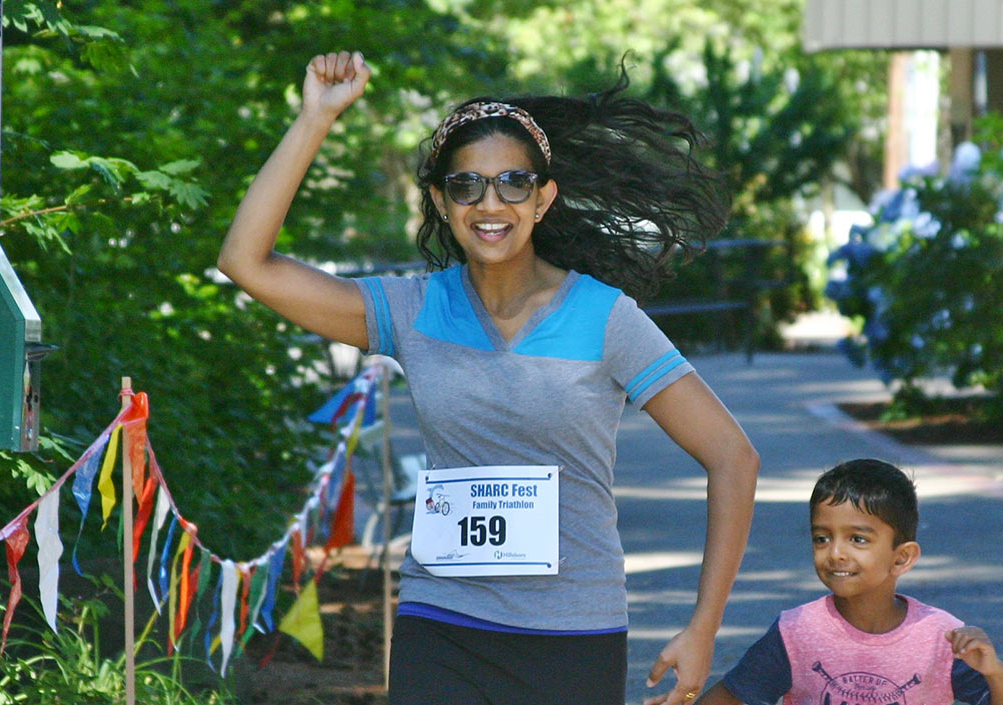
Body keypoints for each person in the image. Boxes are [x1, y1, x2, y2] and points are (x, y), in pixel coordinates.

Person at [216, 51, 760, 705]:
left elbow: (733, 455)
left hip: (572, 633)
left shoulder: (604, 317)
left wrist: (704, 626)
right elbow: (246, 261)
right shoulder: (413, 310)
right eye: (467, 186)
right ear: (443, 203)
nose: (490, 203)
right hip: (441, 623)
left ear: (544, 197)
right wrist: (315, 118)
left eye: (513, 183)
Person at [695, 459, 1003, 705]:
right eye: (822, 538)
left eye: (858, 539)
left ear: (902, 558)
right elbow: (731, 696)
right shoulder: (796, 632)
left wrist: (994, 670)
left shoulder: (941, 637)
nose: (836, 553)